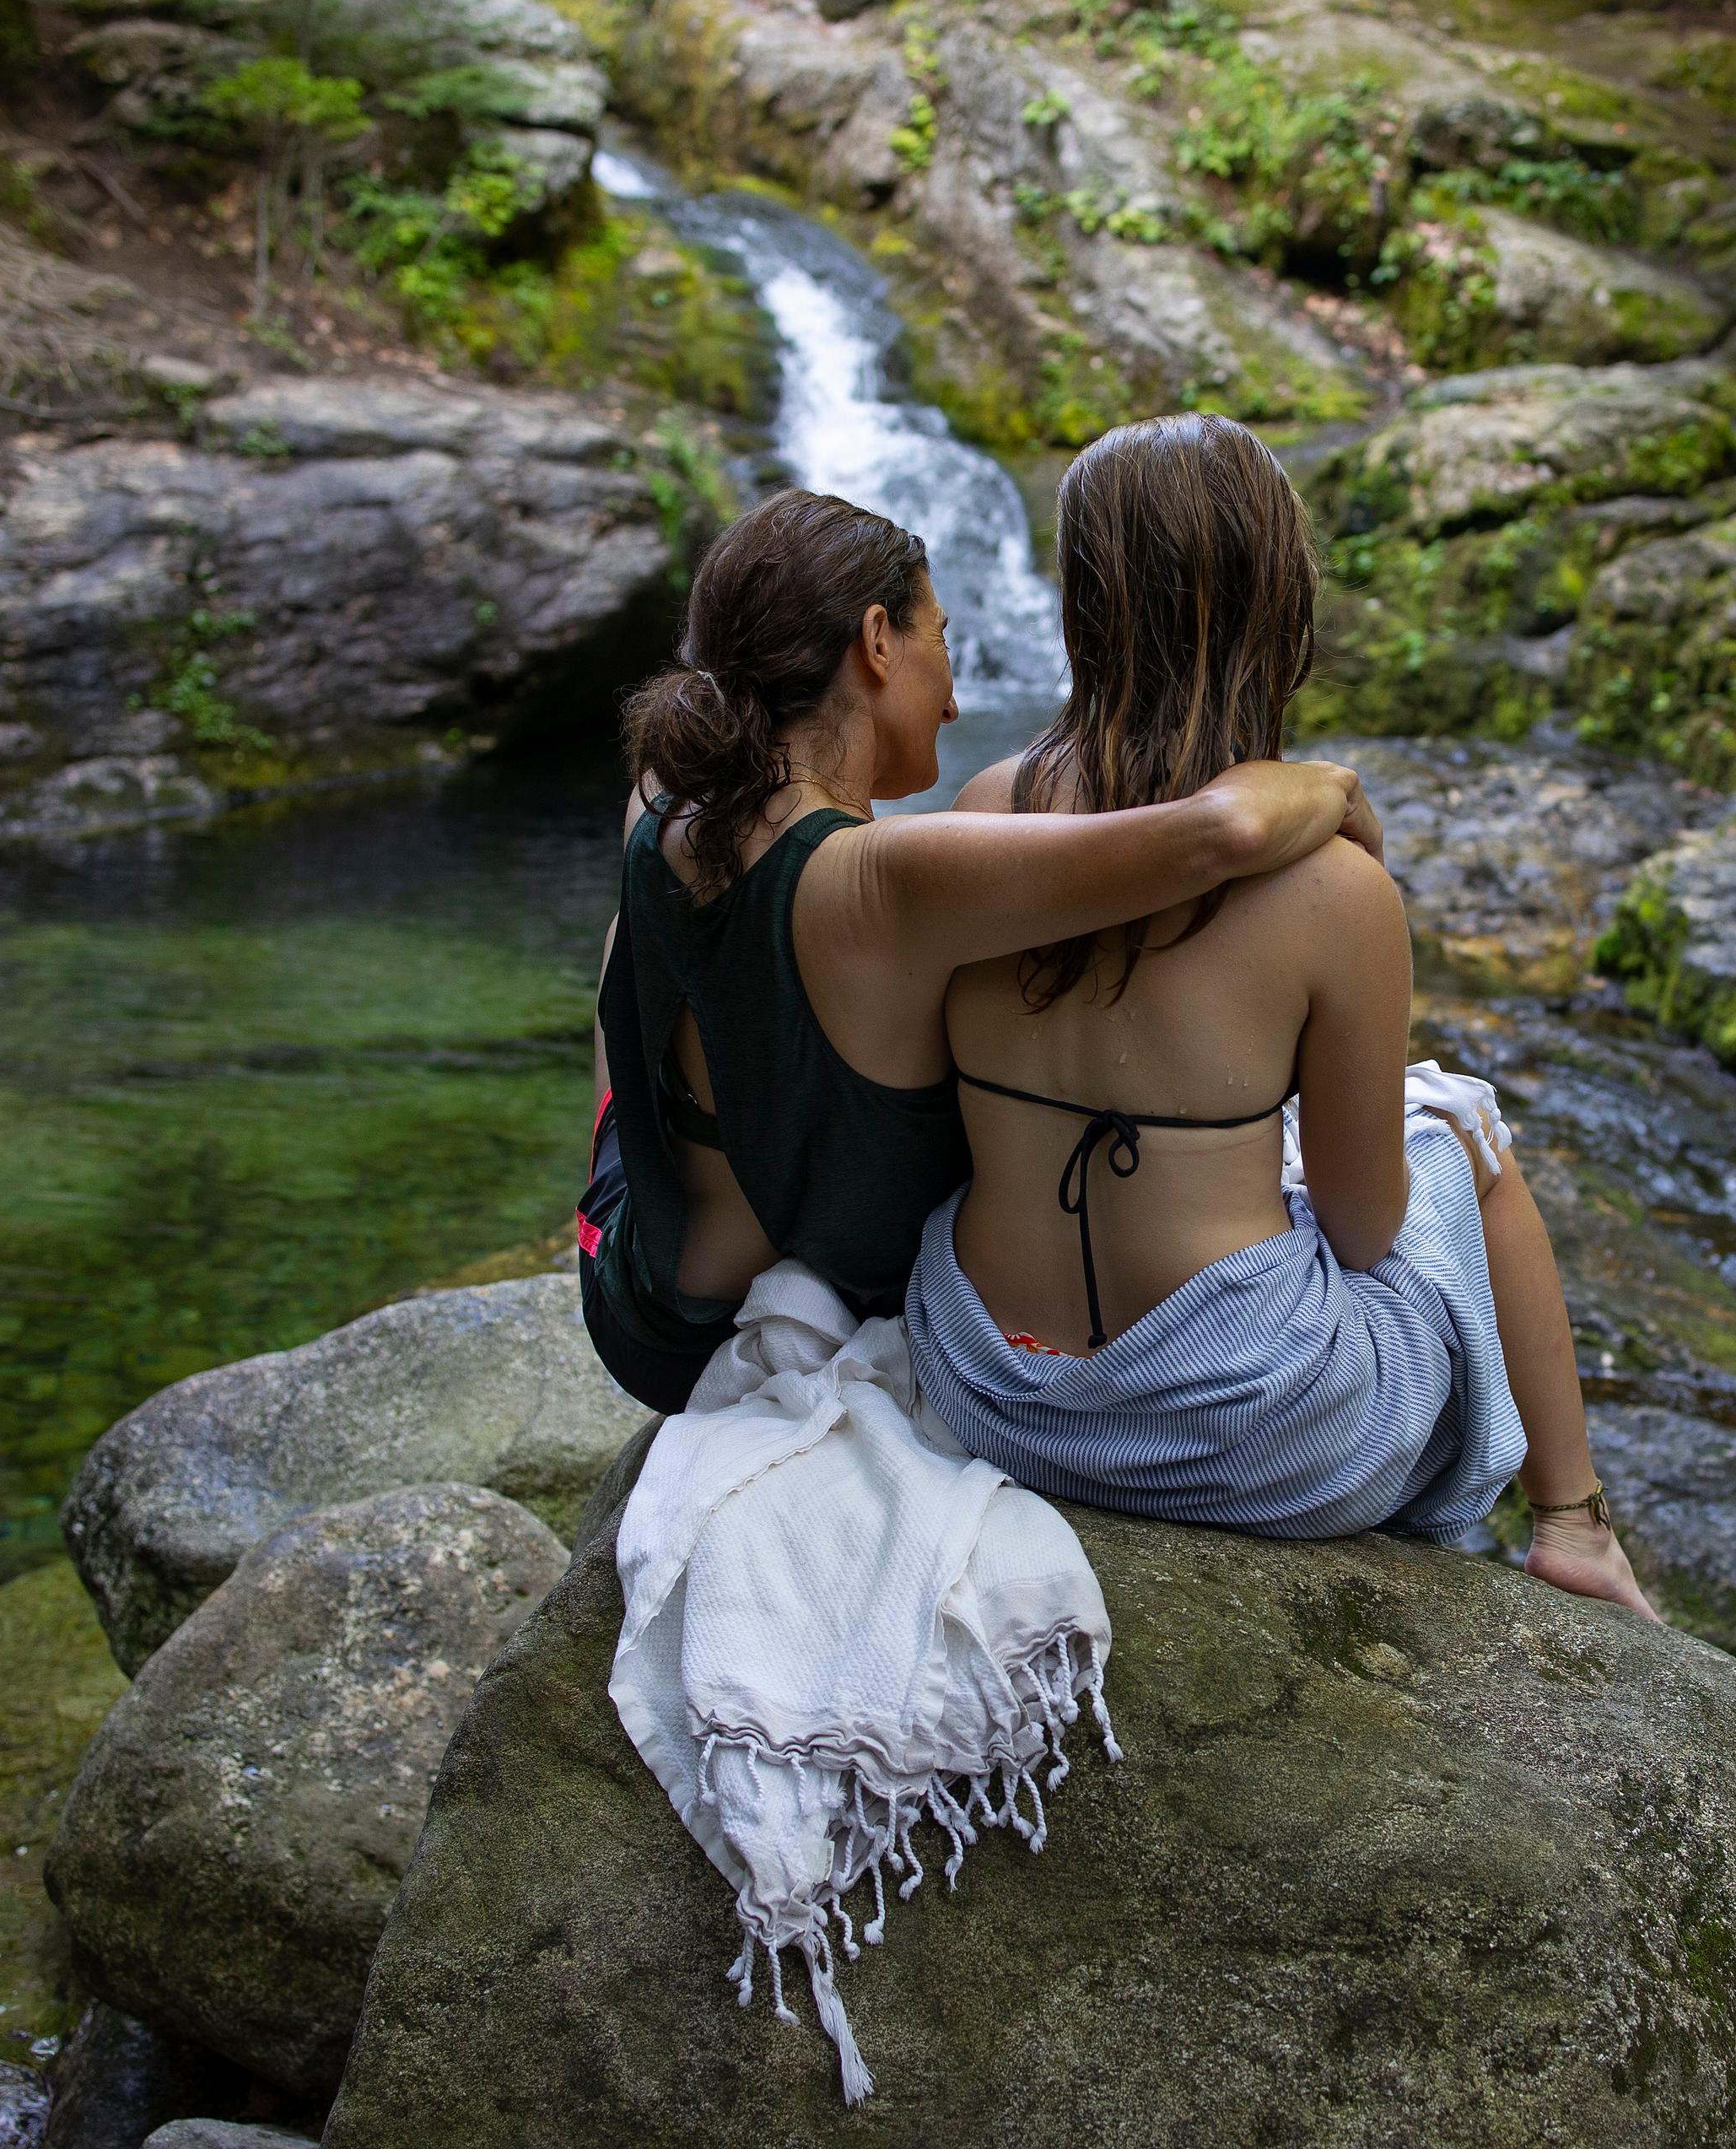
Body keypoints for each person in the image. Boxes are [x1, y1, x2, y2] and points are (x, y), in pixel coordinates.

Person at [902, 414, 1655, 1616]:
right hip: (1239, 1436)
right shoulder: (1334, 892)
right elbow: (1364, 1235)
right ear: (1279, 603)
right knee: (1465, 1131)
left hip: (993, 1394)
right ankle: (1573, 1523)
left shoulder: (985, 812)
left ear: (1082, 606)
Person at [580, 487, 1383, 1416]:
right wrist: (1334, 787)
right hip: (712, 1342)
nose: (956, 699)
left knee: (633, 932)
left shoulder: (668, 797)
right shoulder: (889, 881)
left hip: (632, 1281)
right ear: (876, 641)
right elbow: (1224, 833)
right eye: (942, 639)